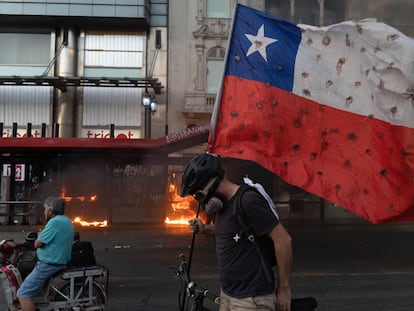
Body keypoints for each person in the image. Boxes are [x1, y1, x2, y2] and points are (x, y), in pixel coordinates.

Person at [181, 153, 293, 311]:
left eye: (198, 194)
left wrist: (284, 289)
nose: (199, 200)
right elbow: (235, 230)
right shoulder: (223, 204)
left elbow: (283, 240)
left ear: (210, 185)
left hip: (251, 300)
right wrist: (204, 229)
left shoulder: (248, 200)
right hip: (228, 295)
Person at [17, 196, 74, 311]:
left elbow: (37, 244)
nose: (44, 212)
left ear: (50, 211)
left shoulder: (54, 222)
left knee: (23, 293)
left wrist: (39, 236)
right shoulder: (66, 220)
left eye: (45, 209)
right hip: (61, 260)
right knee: (43, 288)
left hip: (49, 263)